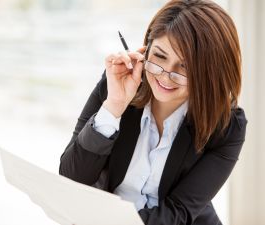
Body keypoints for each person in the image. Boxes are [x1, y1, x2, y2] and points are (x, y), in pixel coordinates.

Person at [59, 0, 247, 224]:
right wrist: (115, 106)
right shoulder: (117, 84)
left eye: (185, 67)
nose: (166, 76)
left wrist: (105, 220)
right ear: (145, 49)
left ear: (210, 72)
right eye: (159, 56)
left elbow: (177, 213)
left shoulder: (227, 125)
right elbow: (71, 179)